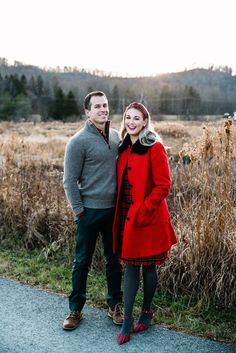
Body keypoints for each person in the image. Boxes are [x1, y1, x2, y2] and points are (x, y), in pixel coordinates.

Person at [112, 102, 177, 345]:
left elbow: (164, 185)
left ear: (145, 121)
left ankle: (146, 313)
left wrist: (144, 209)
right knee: (129, 266)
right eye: (127, 117)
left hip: (147, 218)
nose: (131, 122)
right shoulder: (123, 147)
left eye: (136, 118)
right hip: (126, 217)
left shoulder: (154, 146)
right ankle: (127, 320)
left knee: (149, 266)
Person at [63, 91, 123, 331]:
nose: (103, 109)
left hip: (113, 212)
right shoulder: (77, 142)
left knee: (114, 261)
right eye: (97, 106)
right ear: (87, 112)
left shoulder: (117, 137)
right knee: (82, 262)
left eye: (105, 105)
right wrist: (79, 211)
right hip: (88, 212)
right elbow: (69, 180)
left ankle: (114, 305)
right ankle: (75, 309)